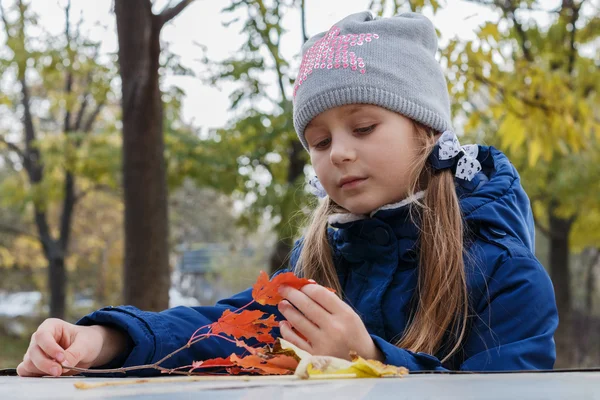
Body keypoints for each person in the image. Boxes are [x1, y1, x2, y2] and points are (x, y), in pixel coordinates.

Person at [17, 11, 558, 378]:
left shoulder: (503, 274)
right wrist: (105, 340)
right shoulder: (321, 259)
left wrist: (366, 360)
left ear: (428, 131)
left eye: (363, 127)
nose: (338, 153)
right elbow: (225, 329)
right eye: (319, 142)